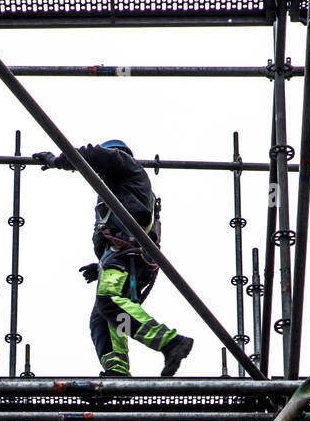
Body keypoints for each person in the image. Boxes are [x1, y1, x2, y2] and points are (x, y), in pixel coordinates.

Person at [32, 139, 194, 378]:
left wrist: (58, 161)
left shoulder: (124, 164)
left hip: (126, 256)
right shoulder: (123, 186)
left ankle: (170, 343)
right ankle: (117, 370)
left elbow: (94, 154)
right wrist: (98, 267)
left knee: (109, 300)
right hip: (124, 258)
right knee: (102, 317)